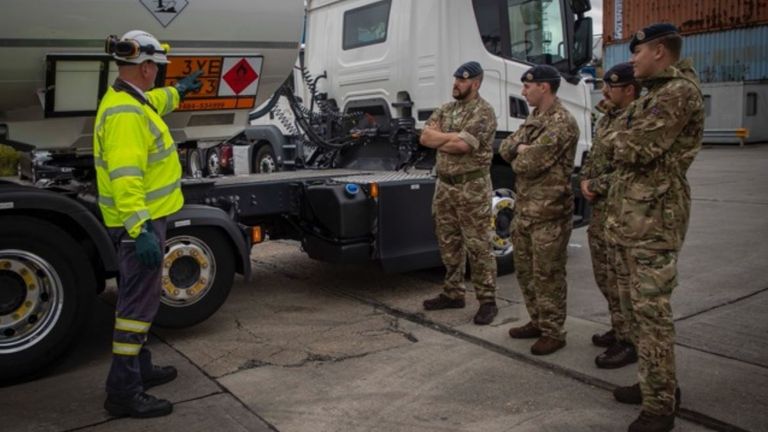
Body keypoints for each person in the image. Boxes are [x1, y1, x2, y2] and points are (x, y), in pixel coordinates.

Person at [94, 30, 202, 418]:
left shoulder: (129, 100)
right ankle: (123, 392)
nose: (158, 75)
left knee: (136, 298)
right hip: (138, 225)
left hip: (140, 221)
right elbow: (127, 178)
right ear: (144, 68)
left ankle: (140, 369)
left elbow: (153, 102)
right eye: (156, 68)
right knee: (136, 308)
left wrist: (180, 92)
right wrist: (140, 229)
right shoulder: (124, 115)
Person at [605, 23, 704, 432]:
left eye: (637, 52)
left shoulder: (678, 93)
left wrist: (614, 135)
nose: (632, 59)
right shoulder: (656, 94)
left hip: (655, 219)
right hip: (635, 216)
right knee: (636, 313)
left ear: (659, 51)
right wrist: (618, 134)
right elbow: (620, 137)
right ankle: (655, 384)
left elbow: (635, 146)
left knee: (651, 315)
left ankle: (661, 407)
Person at [499, 64, 578, 356]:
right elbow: (505, 148)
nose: (523, 91)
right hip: (527, 209)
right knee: (525, 271)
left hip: (550, 212)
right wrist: (521, 148)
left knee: (548, 274)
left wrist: (521, 152)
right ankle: (537, 320)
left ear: (543, 87)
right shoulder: (534, 118)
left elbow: (527, 163)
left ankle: (554, 332)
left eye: (527, 86)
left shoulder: (562, 122)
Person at [420, 61, 499, 326]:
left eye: (462, 81)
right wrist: (449, 139)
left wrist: (444, 139)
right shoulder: (445, 108)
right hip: (444, 186)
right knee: (448, 241)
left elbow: (463, 146)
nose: (456, 84)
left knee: (478, 245)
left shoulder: (484, 112)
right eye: (455, 79)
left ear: (475, 84)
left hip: (472, 188)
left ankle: (488, 301)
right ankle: (453, 293)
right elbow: (425, 137)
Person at [580, 62, 641, 369]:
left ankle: (629, 341)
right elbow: (595, 156)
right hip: (601, 210)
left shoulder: (636, 120)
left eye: (610, 86)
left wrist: (596, 184)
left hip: (621, 210)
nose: (603, 90)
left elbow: (628, 169)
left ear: (629, 89)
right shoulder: (608, 117)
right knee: (604, 275)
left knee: (622, 280)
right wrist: (585, 181)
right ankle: (619, 327)